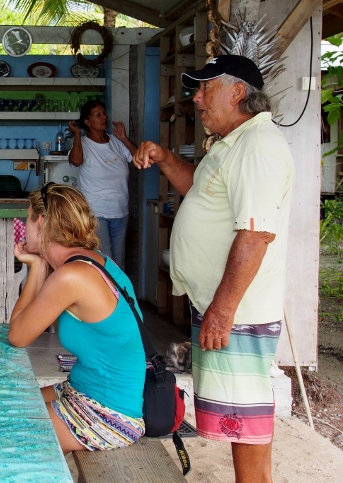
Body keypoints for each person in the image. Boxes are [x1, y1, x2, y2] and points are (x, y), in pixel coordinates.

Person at [133, 55, 294, 483]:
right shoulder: (232, 143)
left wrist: (223, 311)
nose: (196, 99)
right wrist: (166, 158)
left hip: (239, 313)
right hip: (224, 307)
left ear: (238, 92)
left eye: (206, 89)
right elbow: (200, 191)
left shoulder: (258, 146)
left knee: (248, 426)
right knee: (239, 420)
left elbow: (256, 234)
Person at [9, 183, 146, 453]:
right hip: (80, 390)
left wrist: (36, 265)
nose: (24, 226)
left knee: (2, 429)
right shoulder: (94, 260)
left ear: (41, 221)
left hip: (108, 415)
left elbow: (17, 335)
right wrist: (39, 264)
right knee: (9, 402)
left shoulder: (71, 276)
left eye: (27, 217)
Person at [67, 100, 137, 269]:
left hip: (120, 211)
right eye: (98, 115)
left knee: (118, 261)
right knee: (105, 260)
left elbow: (138, 159)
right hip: (96, 212)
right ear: (87, 121)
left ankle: (118, 295)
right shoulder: (83, 144)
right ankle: (106, 295)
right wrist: (76, 135)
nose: (104, 117)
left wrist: (124, 138)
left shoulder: (116, 142)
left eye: (104, 113)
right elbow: (76, 161)